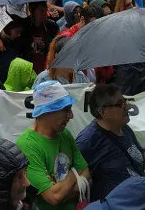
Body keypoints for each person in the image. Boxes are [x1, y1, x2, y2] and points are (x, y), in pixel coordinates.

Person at [75, 84, 145, 201]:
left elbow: (144, 163)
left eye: (125, 101)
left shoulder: (125, 129)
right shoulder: (87, 142)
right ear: (102, 112)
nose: (128, 107)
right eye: (120, 104)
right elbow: (77, 185)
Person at [15, 80, 90, 210]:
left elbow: (86, 172)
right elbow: (54, 197)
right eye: (66, 110)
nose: (71, 116)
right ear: (47, 111)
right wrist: (74, 174)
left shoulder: (65, 134)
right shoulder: (27, 145)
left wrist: (64, 189)